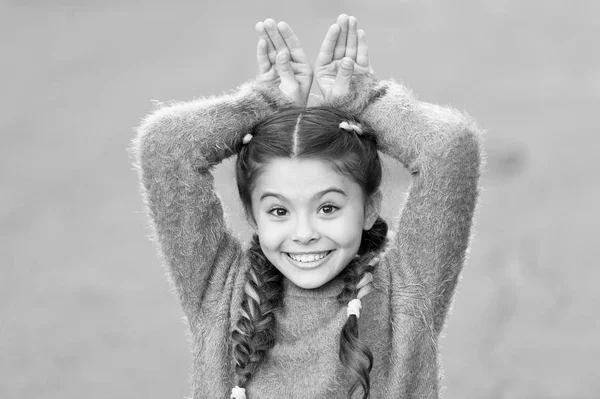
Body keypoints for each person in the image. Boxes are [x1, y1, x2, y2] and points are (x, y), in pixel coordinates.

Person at [131, 14, 482, 399]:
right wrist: (260, 104)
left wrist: (363, 101)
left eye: (328, 208)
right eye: (279, 211)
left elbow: (448, 148)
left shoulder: (405, 293)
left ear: (368, 210)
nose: (304, 233)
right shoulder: (222, 292)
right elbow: (166, 148)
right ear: (253, 216)